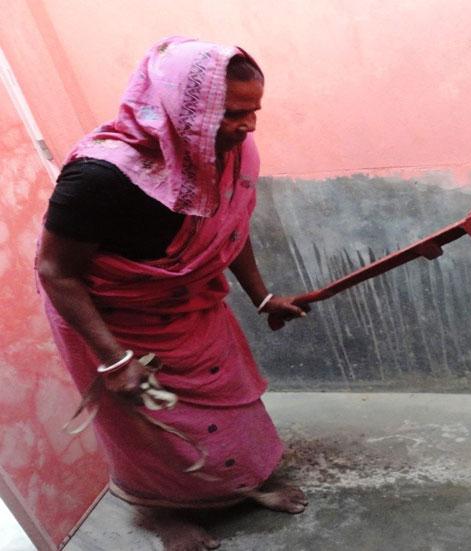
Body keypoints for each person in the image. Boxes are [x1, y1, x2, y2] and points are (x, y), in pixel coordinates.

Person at [35, 36, 308, 550]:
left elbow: (230, 224)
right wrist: (113, 361)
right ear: (183, 112)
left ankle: (241, 484)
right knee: (150, 429)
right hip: (114, 317)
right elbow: (56, 272)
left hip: (191, 306)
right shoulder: (98, 176)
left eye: (254, 112)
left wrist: (263, 297)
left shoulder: (229, 150)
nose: (248, 126)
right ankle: (166, 516)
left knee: (232, 406)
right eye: (231, 113)